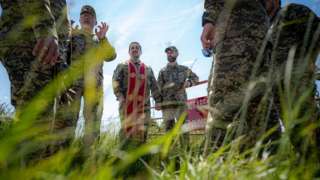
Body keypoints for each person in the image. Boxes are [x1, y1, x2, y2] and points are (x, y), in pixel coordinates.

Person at [200, 0, 277, 154]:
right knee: (261, 101)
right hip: (259, 30)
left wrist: (209, 21)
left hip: (233, 30)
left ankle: (217, 167)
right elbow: (272, 5)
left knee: (224, 102)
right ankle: (271, 164)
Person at [0, 0, 71, 161]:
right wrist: (45, 28)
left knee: (51, 131)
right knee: (37, 128)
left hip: (49, 54)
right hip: (32, 43)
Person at [267, 2, 320, 159]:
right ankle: (309, 163)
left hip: (296, 82)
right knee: (293, 130)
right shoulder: (265, 27)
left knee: (307, 123)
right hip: (276, 89)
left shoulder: (291, 11)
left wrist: (310, 60)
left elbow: (317, 32)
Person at [59, 5, 116, 148]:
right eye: (83, 14)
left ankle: (89, 158)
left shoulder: (99, 41)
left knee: (93, 122)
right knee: (67, 121)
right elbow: (62, 56)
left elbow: (111, 56)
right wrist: (66, 35)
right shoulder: (72, 35)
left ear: (95, 21)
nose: (86, 16)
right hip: (72, 85)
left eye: (90, 15)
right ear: (79, 18)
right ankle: (62, 156)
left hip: (94, 87)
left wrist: (103, 39)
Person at [112, 42, 161, 148]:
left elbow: (154, 86)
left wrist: (158, 101)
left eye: (137, 47)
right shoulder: (122, 66)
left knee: (143, 130)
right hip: (126, 104)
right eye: (132, 48)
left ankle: (140, 157)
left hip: (145, 106)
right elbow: (115, 81)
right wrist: (119, 96)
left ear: (141, 51)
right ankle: (122, 156)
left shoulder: (148, 69)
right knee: (126, 129)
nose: (135, 49)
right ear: (129, 52)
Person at [157, 46, 199, 147]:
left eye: (172, 52)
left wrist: (189, 82)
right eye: (168, 52)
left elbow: (195, 78)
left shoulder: (184, 69)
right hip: (167, 105)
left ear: (177, 53)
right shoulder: (162, 71)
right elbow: (158, 88)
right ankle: (169, 155)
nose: (169, 54)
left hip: (181, 103)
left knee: (184, 128)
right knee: (168, 130)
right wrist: (158, 102)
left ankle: (185, 153)